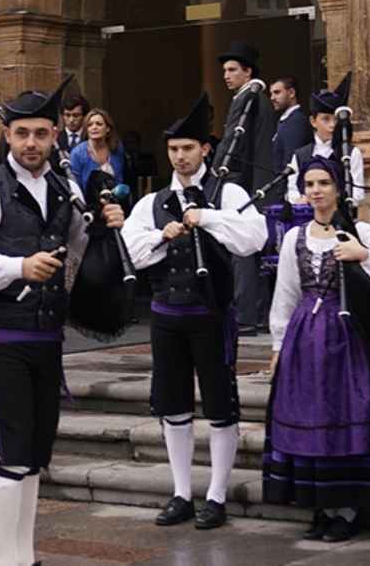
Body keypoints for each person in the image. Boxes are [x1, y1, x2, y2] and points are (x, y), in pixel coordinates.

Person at [0, 76, 125, 566]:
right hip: (0, 336)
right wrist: (16, 267)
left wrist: (107, 229)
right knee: (9, 454)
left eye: (41, 134)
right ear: (7, 136)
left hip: (46, 336)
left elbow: (78, 258)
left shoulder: (63, 187)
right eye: (22, 133)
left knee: (33, 457)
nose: (31, 143)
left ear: (53, 136)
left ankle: (24, 558)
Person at [122, 93, 267, 531]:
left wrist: (208, 217)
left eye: (188, 148)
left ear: (206, 149)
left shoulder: (230, 191)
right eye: (173, 149)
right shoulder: (152, 202)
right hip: (167, 316)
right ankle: (182, 492)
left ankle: (217, 496)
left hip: (212, 315)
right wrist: (161, 238)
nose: (180, 156)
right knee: (174, 407)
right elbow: (130, 252)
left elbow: (254, 238)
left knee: (221, 407)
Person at [264, 155, 370, 542]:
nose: (316, 191)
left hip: (348, 338)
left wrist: (364, 255)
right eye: (310, 184)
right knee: (309, 419)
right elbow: (286, 294)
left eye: (324, 184)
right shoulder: (297, 237)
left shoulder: (360, 231)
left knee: (345, 417)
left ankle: (347, 510)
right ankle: (321, 505)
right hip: (304, 339)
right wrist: (279, 343)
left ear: (338, 189)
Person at [213, 40, 276, 336]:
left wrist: (217, 177)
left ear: (247, 71)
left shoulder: (249, 98)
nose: (226, 75)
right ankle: (255, 313)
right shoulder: (251, 97)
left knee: (242, 249)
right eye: (224, 70)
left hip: (245, 183)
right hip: (251, 182)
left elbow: (234, 144)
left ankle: (246, 314)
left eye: (232, 70)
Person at [285, 73, 366, 204]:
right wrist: (302, 199)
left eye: (336, 119)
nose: (332, 125)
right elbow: (292, 191)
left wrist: (331, 200)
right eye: (326, 119)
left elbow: (358, 194)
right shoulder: (301, 155)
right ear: (313, 121)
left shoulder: (351, 153)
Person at [270, 75, 314, 185]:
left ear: (291, 93)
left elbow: (291, 161)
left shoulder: (296, 120)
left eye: (277, 92)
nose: (272, 97)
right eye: (271, 93)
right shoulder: (286, 119)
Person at [69, 108, 127, 190]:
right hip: (86, 202)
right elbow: (75, 187)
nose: (94, 127)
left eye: (99, 124)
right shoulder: (77, 153)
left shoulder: (117, 148)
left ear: (108, 128)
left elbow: (120, 181)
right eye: (90, 125)